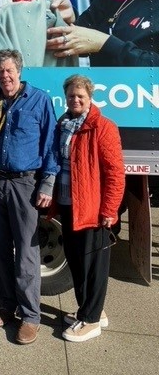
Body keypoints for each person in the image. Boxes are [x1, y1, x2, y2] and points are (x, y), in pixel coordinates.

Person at [0, 49, 59, 345]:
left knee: (26, 252)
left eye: (9, 71)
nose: (5, 76)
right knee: (0, 249)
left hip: (26, 184)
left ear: (20, 71)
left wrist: (48, 184)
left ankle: (31, 315)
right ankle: (7, 305)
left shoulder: (39, 100)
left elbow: (51, 144)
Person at [52, 74, 125, 342]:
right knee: (77, 262)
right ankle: (93, 310)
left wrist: (109, 210)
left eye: (80, 95)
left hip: (93, 209)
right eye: (71, 95)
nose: (75, 99)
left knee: (93, 264)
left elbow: (115, 173)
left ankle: (91, 321)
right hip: (69, 205)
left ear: (90, 97)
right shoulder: (64, 124)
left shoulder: (103, 127)